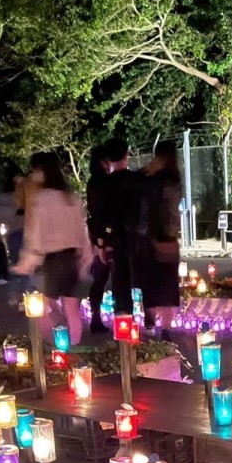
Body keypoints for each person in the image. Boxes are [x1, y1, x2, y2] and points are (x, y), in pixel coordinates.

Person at [13, 151, 90, 345]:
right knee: (71, 308)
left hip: (51, 261)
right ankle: (72, 347)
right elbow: (82, 231)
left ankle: (54, 348)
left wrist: (26, 262)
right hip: (71, 257)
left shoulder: (41, 199)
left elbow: (35, 236)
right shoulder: (70, 197)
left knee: (42, 309)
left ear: (40, 171)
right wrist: (84, 259)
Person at [140, 139, 182, 331]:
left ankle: (150, 326)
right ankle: (166, 329)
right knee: (167, 286)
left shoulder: (152, 182)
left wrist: (147, 171)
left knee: (151, 286)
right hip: (170, 238)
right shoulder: (175, 179)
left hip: (152, 238)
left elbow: (143, 200)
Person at [98, 136, 142, 313]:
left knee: (121, 283)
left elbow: (104, 216)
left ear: (108, 160)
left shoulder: (105, 184)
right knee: (143, 281)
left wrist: (103, 243)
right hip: (140, 237)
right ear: (126, 156)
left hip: (116, 239)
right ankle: (150, 323)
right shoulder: (138, 180)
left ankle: (124, 322)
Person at [86, 143, 112, 333]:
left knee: (100, 279)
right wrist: (102, 243)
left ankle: (96, 317)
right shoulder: (103, 183)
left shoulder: (93, 182)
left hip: (97, 234)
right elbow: (102, 213)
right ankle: (98, 318)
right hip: (104, 236)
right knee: (104, 277)